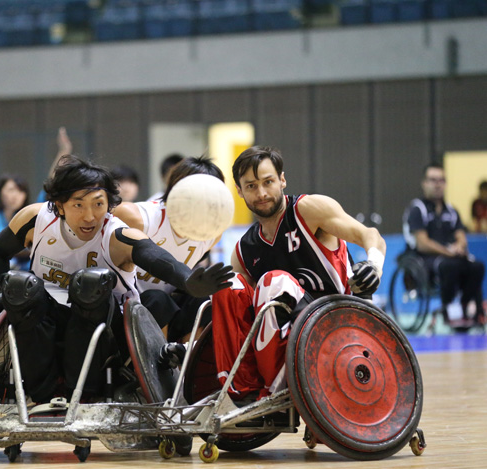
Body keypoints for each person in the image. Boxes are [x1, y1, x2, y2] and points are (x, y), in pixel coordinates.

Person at [0, 154, 233, 404]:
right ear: (59, 205)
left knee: (89, 283)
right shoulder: (34, 219)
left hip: (108, 329)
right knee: (19, 285)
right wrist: (4, 291)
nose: (90, 216)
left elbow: (156, 257)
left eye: (98, 204)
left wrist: (189, 281)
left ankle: (81, 391)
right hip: (47, 314)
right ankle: (38, 390)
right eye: (78, 205)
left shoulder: (116, 234)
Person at [204, 145, 386, 402]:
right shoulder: (244, 250)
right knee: (226, 284)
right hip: (285, 343)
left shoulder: (309, 210)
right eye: (251, 186)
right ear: (239, 191)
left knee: (273, 281)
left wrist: (373, 265)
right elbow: (236, 316)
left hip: (336, 323)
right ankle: (243, 392)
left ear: (282, 180)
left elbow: (369, 235)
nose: (262, 193)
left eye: (268, 182)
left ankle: (276, 390)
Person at [114, 155, 226, 342]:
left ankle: (184, 361)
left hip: (165, 314)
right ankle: (159, 366)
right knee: (158, 300)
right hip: (122, 309)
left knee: (206, 300)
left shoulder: (212, 234)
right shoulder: (135, 216)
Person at [403, 163, 485, 327]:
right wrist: (448, 252)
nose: (437, 184)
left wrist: (460, 247)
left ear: (445, 183)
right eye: (433, 180)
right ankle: (449, 310)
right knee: (449, 266)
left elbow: (461, 236)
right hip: (425, 260)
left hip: (451, 258)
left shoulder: (451, 211)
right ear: (424, 183)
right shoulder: (417, 209)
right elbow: (422, 243)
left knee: (477, 266)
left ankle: (464, 305)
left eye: (441, 180)